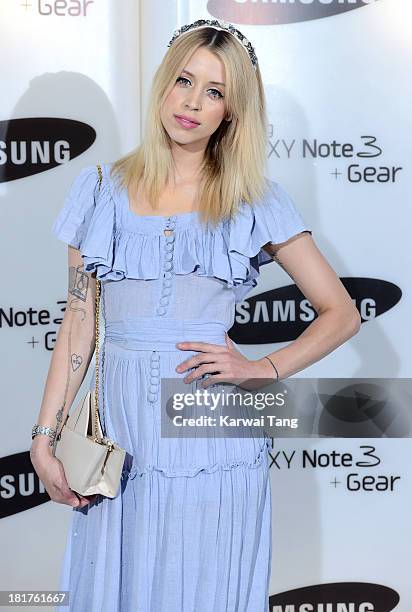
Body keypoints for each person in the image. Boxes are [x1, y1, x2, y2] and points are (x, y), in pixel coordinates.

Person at [30, 18, 361, 612]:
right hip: (122, 426)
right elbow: (78, 323)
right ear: (163, 84)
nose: (192, 103)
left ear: (231, 112)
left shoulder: (253, 198)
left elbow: (341, 312)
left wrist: (267, 368)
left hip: (210, 417)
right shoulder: (99, 189)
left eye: (215, 92)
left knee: (205, 586)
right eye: (185, 80)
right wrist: (44, 437)